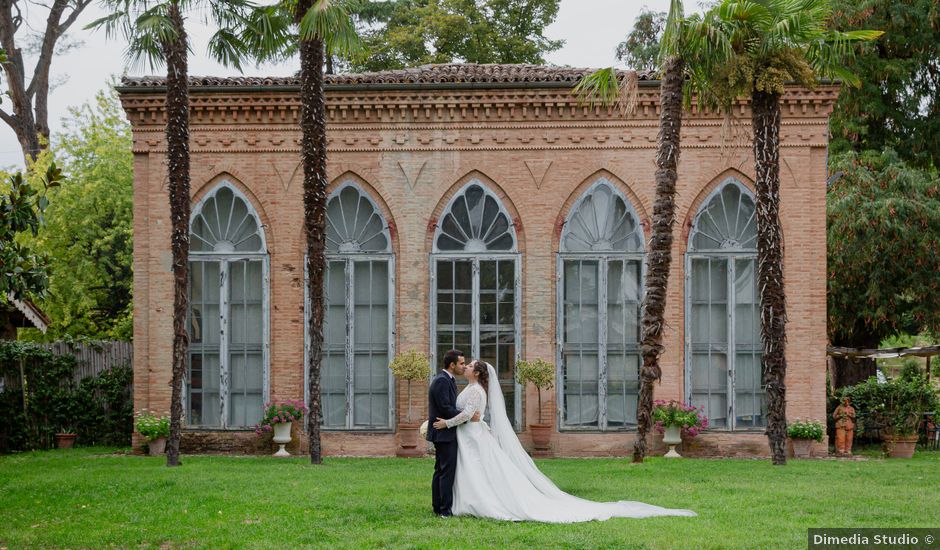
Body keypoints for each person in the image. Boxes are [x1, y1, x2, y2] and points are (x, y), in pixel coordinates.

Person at [432, 360, 696, 522]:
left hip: (472, 437)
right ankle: (458, 502)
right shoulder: (469, 388)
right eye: (464, 364)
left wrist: (447, 423)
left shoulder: (476, 390)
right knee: (467, 471)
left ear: (477, 373)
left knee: (480, 471)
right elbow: (473, 415)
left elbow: (469, 414)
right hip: (468, 436)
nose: (464, 366)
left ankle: (478, 503)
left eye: (468, 365)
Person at [426, 349, 479, 517]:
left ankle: (438, 506)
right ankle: (444, 510)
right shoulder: (442, 381)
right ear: (452, 364)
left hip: (445, 431)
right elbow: (445, 408)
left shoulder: (448, 380)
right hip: (443, 432)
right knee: (446, 471)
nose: (464, 366)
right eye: (462, 363)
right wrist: (468, 416)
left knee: (441, 470)